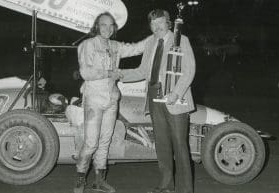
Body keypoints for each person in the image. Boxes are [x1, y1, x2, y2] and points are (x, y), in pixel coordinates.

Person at [120, 9, 196, 193]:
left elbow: (189, 70)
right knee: (161, 144)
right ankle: (166, 185)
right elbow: (142, 71)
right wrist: (119, 74)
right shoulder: (150, 42)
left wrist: (176, 93)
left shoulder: (181, 40)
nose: (157, 27)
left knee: (179, 144)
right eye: (153, 24)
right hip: (154, 96)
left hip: (175, 98)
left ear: (168, 23)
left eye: (160, 22)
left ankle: (186, 189)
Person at [74, 12, 148, 193]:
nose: (107, 29)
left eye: (110, 25)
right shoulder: (88, 45)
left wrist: (157, 34)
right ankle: (80, 178)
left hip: (112, 100)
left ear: (114, 28)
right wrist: (109, 73)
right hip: (93, 99)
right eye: (103, 25)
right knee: (91, 143)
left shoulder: (116, 46)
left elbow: (137, 48)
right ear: (96, 27)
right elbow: (86, 73)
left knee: (105, 141)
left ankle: (99, 181)